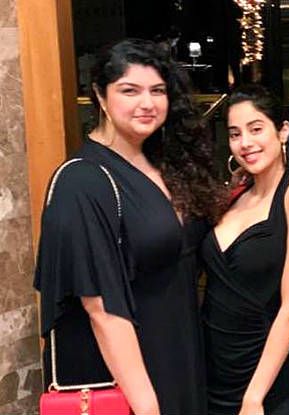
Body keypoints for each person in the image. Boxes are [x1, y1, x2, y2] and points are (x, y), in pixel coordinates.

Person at [34, 38, 225, 415]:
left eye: (157, 91)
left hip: (180, 355)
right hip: (132, 378)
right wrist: (146, 405)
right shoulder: (82, 181)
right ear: (100, 96)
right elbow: (101, 309)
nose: (147, 103)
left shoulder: (164, 163)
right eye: (129, 90)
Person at [200, 84, 289, 415]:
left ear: (282, 131)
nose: (245, 143)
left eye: (256, 129)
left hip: (263, 376)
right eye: (235, 134)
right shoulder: (234, 195)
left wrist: (254, 396)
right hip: (213, 368)